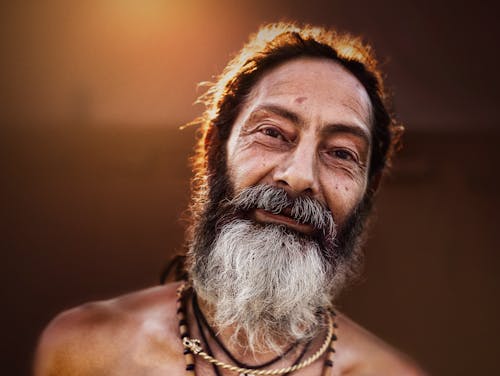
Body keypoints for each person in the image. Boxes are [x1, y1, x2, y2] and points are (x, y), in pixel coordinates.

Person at [34, 23, 426, 375]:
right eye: (273, 132)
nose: (299, 176)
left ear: (367, 193)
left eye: (341, 153)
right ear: (213, 151)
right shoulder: (85, 351)